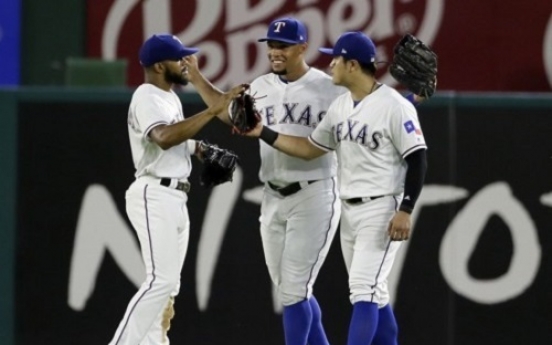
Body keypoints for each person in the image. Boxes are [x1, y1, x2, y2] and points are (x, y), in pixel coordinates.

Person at [183, 19, 425, 345]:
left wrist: (409, 99)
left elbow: (371, 100)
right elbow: (233, 115)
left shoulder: (329, 86)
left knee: (307, 289)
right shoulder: (263, 86)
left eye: (282, 45)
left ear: (301, 47)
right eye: (270, 44)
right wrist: (198, 79)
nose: (274, 51)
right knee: (297, 289)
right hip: (275, 195)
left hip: (318, 193)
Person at [108, 33, 244, 345]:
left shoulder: (169, 97)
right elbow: (164, 137)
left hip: (174, 196)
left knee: (168, 289)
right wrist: (211, 111)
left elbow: (175, 140)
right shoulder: (146, 95)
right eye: (178, 58)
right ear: (158, 65)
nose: (185, 63)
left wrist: (201, 150)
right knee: (161, 281)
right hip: (154, 192)